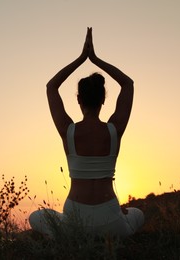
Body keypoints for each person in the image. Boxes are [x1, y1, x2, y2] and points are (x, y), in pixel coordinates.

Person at [29, 27, 144, 238]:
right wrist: (96, 59)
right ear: (103, 99)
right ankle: (118, 228)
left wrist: (82, 58)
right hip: (111, 219)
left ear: (79, 99)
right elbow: (128, 84)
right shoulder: (114, 130)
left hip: (75, 219)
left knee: (35, 217)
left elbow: (51, 86)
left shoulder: (68, 131)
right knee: (137, 214)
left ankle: (63, 236)